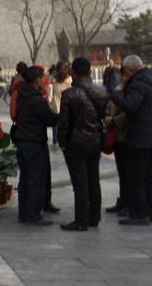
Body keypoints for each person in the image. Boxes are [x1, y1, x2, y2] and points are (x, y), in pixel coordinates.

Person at [108, 55, 152, 225]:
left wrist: (116, 95)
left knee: (137, 176)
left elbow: (129, 105)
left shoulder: (137, 83)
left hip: (141, 136)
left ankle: (139, 214)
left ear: (127, 70)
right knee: (149, 176)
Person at [57, 57, 106, 231]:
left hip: (76, 142)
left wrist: (62, 143)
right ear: (90, 71)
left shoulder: (70, 94)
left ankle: (81, 220)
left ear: (73, 73)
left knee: (80, 183)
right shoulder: (100, 92)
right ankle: (94, 216)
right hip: (95, 140)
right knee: (94, 180)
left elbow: (64, 123)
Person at [14, 65, 59, 226]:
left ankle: (24, 213)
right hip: (34, 143)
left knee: (25, 179)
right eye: (42, 79)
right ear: (37, 80)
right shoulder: (37, 100)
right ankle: (33, 215)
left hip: (23, 142)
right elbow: (51, 119)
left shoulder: (22, 95)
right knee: (36, 179)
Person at [103, 69, 129, 215]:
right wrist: (107, 116)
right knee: (121, 171)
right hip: (116, 136)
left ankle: (128, 202)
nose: (122, 78)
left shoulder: (132, 91)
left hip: (126, 136)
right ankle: (122, 200)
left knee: (127, 172)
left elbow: (128, 112)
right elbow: (109, 106)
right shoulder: (118, 90)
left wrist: (114, 121)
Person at [49, 62, 72, 146]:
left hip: (56, 100)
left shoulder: (53, 78)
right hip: (65, 100)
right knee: (65, 121)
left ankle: (55, 138)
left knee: (55, 122)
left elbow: (51, 91)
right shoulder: (68, 79)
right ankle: (64, 138)